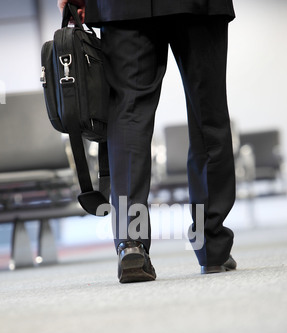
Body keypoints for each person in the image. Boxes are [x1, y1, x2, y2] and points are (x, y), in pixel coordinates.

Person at [57, 0, 237, 283]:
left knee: (129, 113)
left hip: (124, 8)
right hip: (198, 5)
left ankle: (132, 243)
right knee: (207, 113)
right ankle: (211, 245)